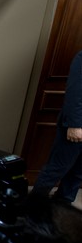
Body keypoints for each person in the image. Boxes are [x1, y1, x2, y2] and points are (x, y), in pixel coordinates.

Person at [32, 50, 82, 204]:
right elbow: (75, 93)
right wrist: (75, 125)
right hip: (77, 126)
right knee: (56, 169)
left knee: (78, 173)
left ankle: (62, 207)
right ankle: (31, 208)